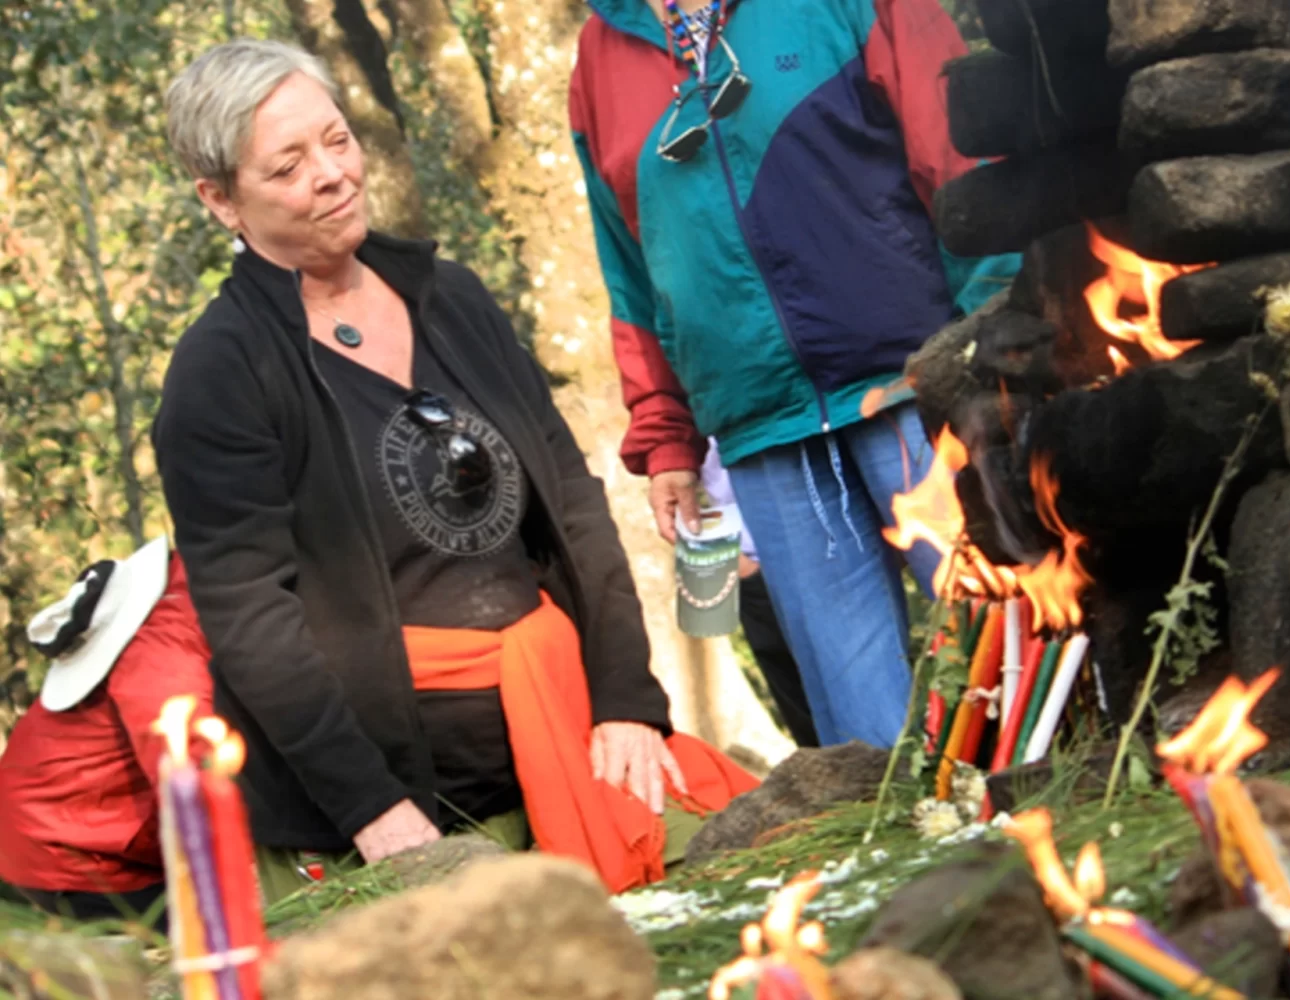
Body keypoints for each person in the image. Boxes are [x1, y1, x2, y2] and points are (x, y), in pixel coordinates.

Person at [153, 39, 756, 900]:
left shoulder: (453, 299)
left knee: (744, 870)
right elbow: (252, 618)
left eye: (337, 140)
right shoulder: (222, 370)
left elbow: (573, 505)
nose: (332, 174)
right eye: (288, 165)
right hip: (394, 795)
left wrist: (626, 698)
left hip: (565, 726)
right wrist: (375, 811)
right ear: (220, 200)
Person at [569, 0, 1021, 749]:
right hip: (763, 439)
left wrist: (992, 333)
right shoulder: (598, 56)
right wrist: (668, 440)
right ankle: (927, 863)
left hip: (913, 388)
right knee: (863, 740)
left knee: (1011, 651)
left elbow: (959, 151)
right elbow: (629, 273)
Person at [0, 538, 212, 929]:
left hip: (60, 828)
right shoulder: (158, 657)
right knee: (214, 934)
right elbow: (191, 770)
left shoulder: (184, 604)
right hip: (65, 849)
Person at [699, 440, 818, 748]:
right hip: (745, 557)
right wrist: (740, 567)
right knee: (800, 710)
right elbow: (668, 463)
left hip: (823, 547)